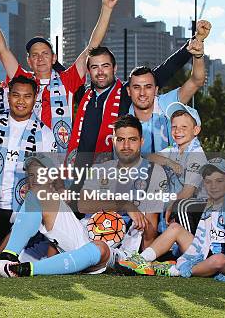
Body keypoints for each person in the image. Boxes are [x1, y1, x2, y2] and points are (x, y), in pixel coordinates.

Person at [0, 0, 118, 152]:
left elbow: (92, 47)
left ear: (54, 58)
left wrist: (107, 9)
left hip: (58, 159)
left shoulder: (67, 80)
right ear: (29, 61)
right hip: (23, 154)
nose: (40, 58)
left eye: (45, 54)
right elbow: (1, 48)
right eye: (35, 55)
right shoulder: (21, 80)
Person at [118, 158, 225, 281]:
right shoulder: (210, 206)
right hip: (205, 252)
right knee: (175, 228)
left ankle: (174, 271)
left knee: (219, 260)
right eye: (208, 181)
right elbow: (202, 240)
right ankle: (140, 260)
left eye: (219, 181)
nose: (213, 186)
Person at [0, 154, 112, 277]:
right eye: (31, 175)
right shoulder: (31, 207)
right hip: (64, 259)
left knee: (100, 248)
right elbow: (17, 232)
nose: (34, 180)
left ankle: (16, 264)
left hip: (90, 255)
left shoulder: (55, 196)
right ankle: (15, 265)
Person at [0, 75, 57, 259]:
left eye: (27, 96)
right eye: (16, 95)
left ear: (35, 98)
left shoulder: (45, 134)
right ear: (8, 96)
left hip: (22, 211)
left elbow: (49, 181)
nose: (21, 101)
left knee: (9, 262)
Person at [78, 114, 169, 253]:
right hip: (89, 237)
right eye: (120, 140)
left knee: (144, 211)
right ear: (114, 141)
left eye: (132, 140)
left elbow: (151, 226)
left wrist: (142, 260)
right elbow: (83, 205)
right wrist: (124, 204)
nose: (126, 146)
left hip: (125, 249)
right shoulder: (99, 168)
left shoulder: (155, 172)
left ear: (141, 142)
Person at [127, 20, 210, 156]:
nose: (142, 93)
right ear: (128, 91)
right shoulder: (123, 115)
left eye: (148, 87)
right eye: (137, 87)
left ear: (156, 90)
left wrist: (198, 54)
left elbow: (196, 81)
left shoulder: (166, 103)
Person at [149, 102, 208, 233]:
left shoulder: (196, 154)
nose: (178, 131)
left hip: (197, 210)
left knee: (180, 206)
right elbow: (149, 157)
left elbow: (188, 192)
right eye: (174, 126)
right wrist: (167, 162)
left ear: (196, 130)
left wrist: (170, 206)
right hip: (178, 204)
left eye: (184, 127)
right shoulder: (174, 149)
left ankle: (189, 249)